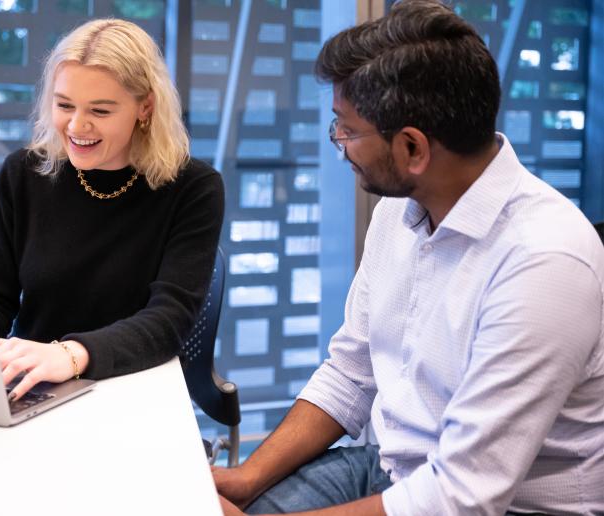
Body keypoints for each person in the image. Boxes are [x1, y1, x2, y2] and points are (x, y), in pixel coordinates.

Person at [213, 1, 604, 515]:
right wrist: (244, 480)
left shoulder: (545, 261)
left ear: (413, 149)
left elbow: (462, 497)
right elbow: (352, 372)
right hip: (396, 469)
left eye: (347, 130)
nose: (340, 144)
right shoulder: (400, 213)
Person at [0, 19, 224, 402]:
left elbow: (169, 320)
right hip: (34, 383)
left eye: (100, 111)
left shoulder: (193, 187)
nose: (76, 125)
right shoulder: (23, 174)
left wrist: (71, 355)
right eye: (64, 105)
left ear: (145, 108)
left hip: (134, 387)